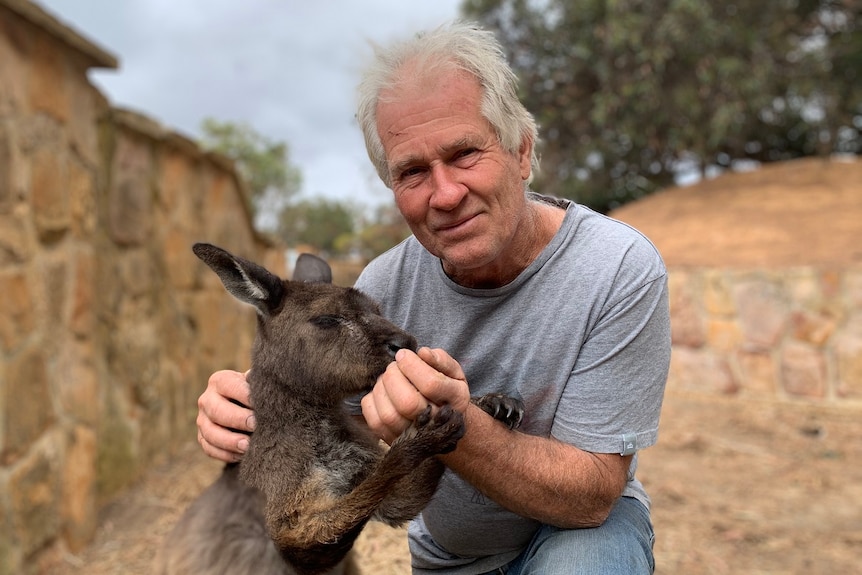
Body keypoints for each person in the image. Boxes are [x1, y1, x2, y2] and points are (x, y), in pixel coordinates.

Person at [196, 21, 670, 575]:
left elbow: (589, 498)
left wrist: (454, 422)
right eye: (413, 171)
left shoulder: (616, 268)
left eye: (465, 153)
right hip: (451, 557)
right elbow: (319, 419)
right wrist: (237, 411)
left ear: (521, 151)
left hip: (576, 536)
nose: (445, 195)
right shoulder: (380, 290)